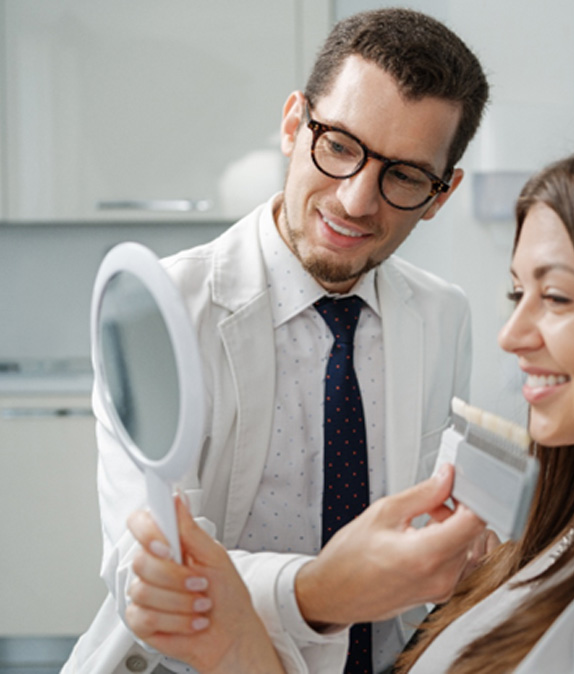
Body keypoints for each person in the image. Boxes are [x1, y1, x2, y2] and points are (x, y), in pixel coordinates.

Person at [124, 133, 574, 673]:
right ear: (294, 127)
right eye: (517, 293)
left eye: (554, 296)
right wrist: (240, 639)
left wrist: (248, 639)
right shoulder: (568, 534)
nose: (512, 335)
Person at [62, 8, 490, 674]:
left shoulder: (443, 315)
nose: (355, 201)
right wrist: (322, 591)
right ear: (294, 124)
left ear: (441, 193)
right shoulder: (163, 307)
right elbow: (154, 577)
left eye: (404, 176)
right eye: (340, 145)